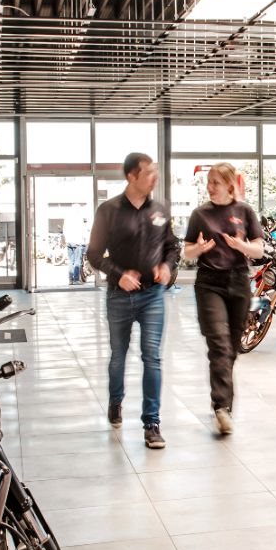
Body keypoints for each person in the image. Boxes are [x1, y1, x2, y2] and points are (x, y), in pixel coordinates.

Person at [87, 153, 180, 449]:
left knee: (152, 357)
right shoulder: (109, 211)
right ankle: (116, 400)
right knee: (118, 356)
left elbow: (172, 247)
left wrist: (167, 266)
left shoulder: (160, 209)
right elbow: (93, 255)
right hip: (119, 296)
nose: (155, 177)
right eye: (149, 172)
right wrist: (119, 274)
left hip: (153, 295)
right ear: (132, 176)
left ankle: (151, 423)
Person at [183, 163, 264, 436]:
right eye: (208, 182)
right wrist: (198, 248)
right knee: (218, 344)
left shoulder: (245, 211)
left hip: (239, 282)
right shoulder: (200, 214)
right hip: (209, 284)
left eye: (215, 182)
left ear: (230, 185)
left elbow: (259, 250)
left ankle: (222, 401)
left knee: (231, 348)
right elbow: (187, 252)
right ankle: (222, 407)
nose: (210, 187)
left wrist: (241, 245)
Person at [64, 213, 88, 285]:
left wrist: (66, 240)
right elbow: (84, 232)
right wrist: (85, 242)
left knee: (71, 261)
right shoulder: (80, 219)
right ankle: (76, 280)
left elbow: (64, 230)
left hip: (69, 242)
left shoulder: (67, 218)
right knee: (77, 262)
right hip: (77, 242)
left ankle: (70, 280)